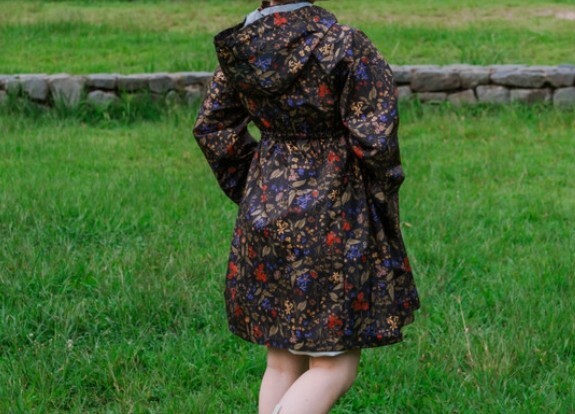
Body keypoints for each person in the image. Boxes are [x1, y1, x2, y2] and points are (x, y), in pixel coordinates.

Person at [193, 1, 420, 413]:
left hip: (266, 206)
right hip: (336, 213)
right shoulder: (344, 45)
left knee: (282, 363)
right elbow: (376, 140)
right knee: (334, 365)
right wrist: (380, 193)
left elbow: (213, 127)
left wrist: (256, 186)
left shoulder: (244, 48)